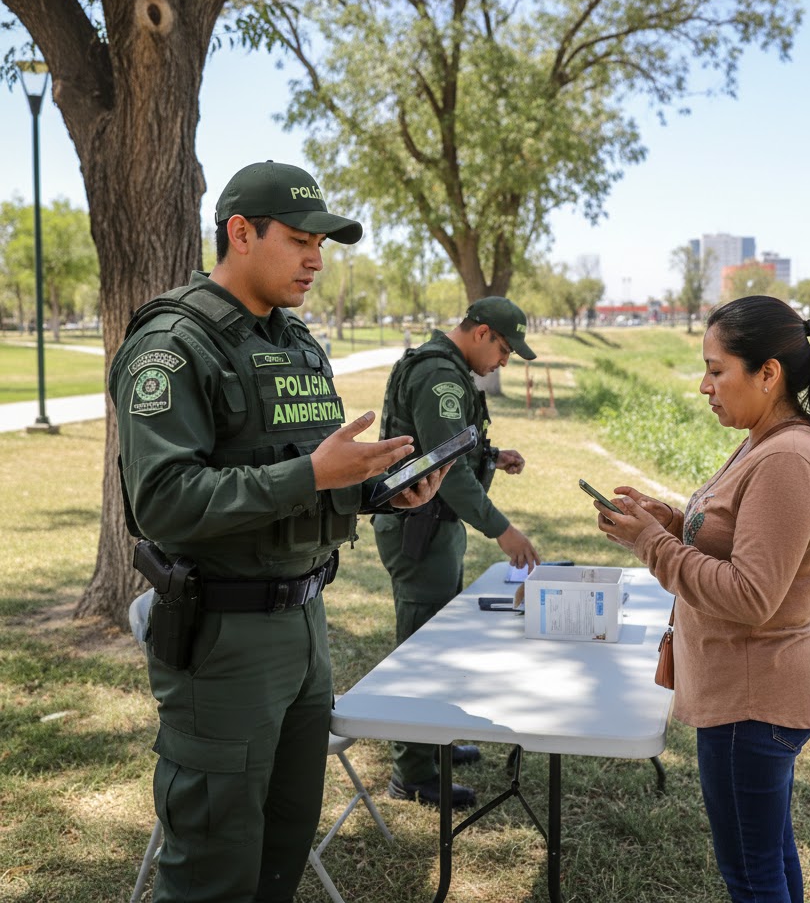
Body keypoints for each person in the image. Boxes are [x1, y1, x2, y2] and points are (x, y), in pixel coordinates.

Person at [110, 160, 450, 903]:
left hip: (304, 624)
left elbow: (308, 471)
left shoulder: (294, 341)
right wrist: (312, 476)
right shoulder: (173, 344)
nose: (315, 260)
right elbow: (161, 501)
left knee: (284, 843)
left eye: (320, 245)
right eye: (299, 241)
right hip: (223, 638)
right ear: (240, 233)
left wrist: (380, 490)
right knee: (214, 861)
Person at [592, 296, 810, 903]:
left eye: (717, 370)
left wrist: (652, 543)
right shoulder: (766, 440)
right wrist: (670, 521)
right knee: (770, 857)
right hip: (752, 697)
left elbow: (751, 594)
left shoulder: (786, 459)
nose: (704, 386)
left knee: (752, 875)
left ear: (769, 374)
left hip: (753, 704)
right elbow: (734, 538)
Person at [374, 297, 541, 807]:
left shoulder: (448, 369)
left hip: (434, 526)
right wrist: (503, 531)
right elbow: (448, 471)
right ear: (481, 333)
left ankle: (433, 743)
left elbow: (451, 445)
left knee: (439, 645)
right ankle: (412, 772)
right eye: (505, 349)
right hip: (419, 529)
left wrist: (494, 454)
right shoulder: (439, 376)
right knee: (421, 651)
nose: (504, 361)